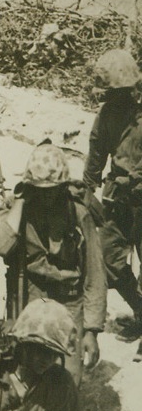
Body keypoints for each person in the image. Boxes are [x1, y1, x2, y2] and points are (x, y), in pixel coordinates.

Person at [0, 142, 106, 384]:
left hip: (69, 300)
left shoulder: (78, 213)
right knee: (28, 372)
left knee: (67, 378)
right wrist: (21, 201)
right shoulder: (17, 209)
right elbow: (2, 246)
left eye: (53, 189)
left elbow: (94, 275)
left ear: (63, 186)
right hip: (32, 296)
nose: (46, 195)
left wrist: (91, 331)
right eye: (40, 189)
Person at [82, 48, 142, 350]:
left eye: (112, 92)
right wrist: (87, 189)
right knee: (108, 260)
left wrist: (133, 179)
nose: (107, 98)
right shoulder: (106, 115)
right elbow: (96, 154)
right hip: (117, 201)